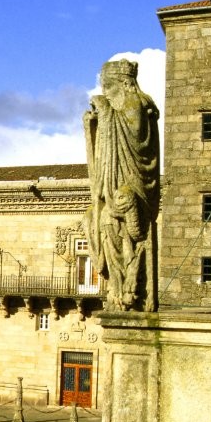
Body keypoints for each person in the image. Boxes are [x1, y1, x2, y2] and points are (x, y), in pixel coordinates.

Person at [83, 59, 160, 312]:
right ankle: (116, 286)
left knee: (121, 217)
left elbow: (134, 135)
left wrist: (104, 109)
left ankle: (133, 289)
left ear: (125, 83)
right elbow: (105, 142)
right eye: (103, 88)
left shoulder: (136, 102)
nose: (105, 92)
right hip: (113, 183)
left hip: (131, 184)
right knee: (98, 219)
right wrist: (91, 125)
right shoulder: (120, 105)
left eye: (108, 87)